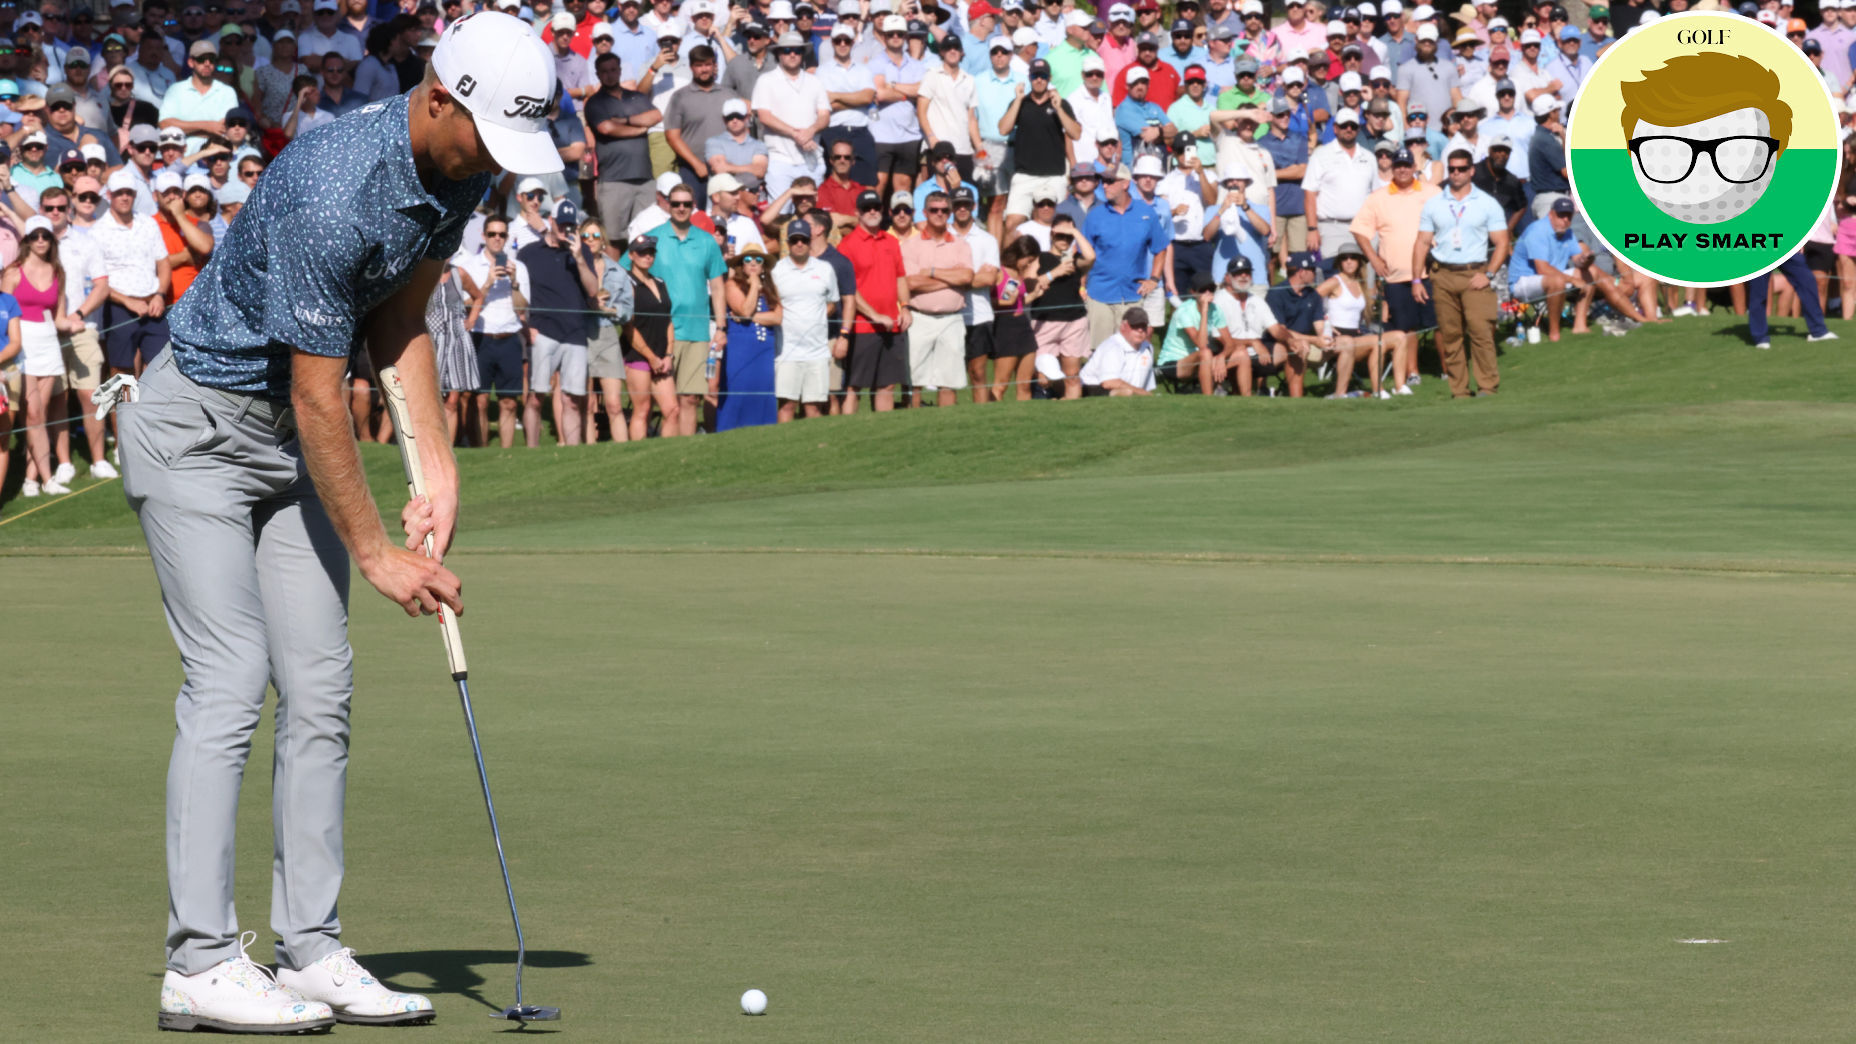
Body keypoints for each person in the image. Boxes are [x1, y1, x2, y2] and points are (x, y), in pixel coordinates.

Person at [125, 12, 562, 1034]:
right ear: (439, 97)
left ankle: (310, 950)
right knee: (232, 677)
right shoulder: (333, 186)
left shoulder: (461, 171)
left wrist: (440, 469)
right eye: (489, 137)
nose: (497, 163)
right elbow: (326, 398)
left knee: (321, 683)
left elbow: (401, 319)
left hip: (284, 443)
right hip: (195, 429)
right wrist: (377, 551)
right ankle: (196, 961)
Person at [1411, 147, 1507, 396]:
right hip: (1442, 274)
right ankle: (1459, 390)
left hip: (1474, 273)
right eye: (1452, 168)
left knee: (1480, 331)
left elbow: (1502, 243)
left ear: (1471, 170)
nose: (1456, 173)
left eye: (1462, 168)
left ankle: (1487, 386)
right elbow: (1422, 242)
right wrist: (1416, 279)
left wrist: (1488, 274)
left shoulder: (1487, 203)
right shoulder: (1434, 203)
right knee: (1450, 335)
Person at [636, 181, 726, 435]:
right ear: (668, 205)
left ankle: (685, 457)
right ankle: (664, 456)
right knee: (667, 403)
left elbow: (718, 287)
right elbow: (630, 274)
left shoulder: (707, 241)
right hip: (662, 331)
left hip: (697, 331)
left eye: (687, 204)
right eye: (676, 203)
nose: (681, 208)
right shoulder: (653, 237)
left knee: (690, 399)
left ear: (694, 205)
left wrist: (720, 327)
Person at [1348, 145, 1436, 391]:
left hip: (1430, 271)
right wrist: (1373, 259)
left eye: (1407, 165)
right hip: (1396, 275)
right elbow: (1359, 229)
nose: (1403, 170)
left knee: (1438, 323)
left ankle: (1446, 369)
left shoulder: (1432, 192)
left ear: (1414, 167)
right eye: (1398, 165)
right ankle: (1413, 372)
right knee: (1406, 326)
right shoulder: (1378, 197)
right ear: (1392, 168)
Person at [1508, 195, 1653, 340]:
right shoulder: (1538, 231)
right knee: (1558, 281)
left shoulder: (1567, 232)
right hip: (1523, 282)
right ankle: (1554, 333)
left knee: (1588, 273)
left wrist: (1586, 260)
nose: (1565, 219)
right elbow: (1542, 269)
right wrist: (1572, 279)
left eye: (1568, 216)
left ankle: (1581, 326)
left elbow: (1578, 259)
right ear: (1551, 214)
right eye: (1561, 215)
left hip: (1553, 278)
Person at [519, 197, 600, 445]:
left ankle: (572, 456)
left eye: (570, 226)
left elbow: (593, 291)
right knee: (535, 397)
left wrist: (579, 258)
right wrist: (526, 326)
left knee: (572, 399)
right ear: (551, 221)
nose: (566, 230)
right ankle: (532, 451)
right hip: (542, 332)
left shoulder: (582, 252)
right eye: (562, 224)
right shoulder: (529, 253)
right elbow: (519, 295)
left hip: (574, 334)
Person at [7, 214, 69, 493]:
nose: (41, 240)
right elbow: (3, 313)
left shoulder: (58, 270)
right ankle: (48, 479)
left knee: (39, 416)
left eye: (46, 235)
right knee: (32, 414)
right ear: (27, 240)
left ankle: (31, 478)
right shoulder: (12, 272)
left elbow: (59, 317)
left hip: (48, 341)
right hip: (22, 342)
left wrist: (77, 320)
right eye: (35, 236)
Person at [457, 214, 531, 448]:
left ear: (507, 238)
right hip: (480, 337)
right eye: (492, 234)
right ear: (483, 236)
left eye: (502, 235)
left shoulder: (518, 267)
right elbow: (464, 305)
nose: (497, 239)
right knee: (479, 400)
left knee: (509, 402)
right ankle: (482, 450)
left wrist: (514, 282)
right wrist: (487, 284)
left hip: (509, 338)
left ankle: (506, 454)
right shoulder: (469, 266)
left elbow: (522, 307)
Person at [838, 187, 909, 412]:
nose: (871, 211)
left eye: (875, 207)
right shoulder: (847, 245)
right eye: (866, 208)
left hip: (891, 326)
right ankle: (847, 434)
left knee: (886, 385)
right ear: (857, 212)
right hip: (862, 327)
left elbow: (900, 277)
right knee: (854, 385)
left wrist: (905, 307)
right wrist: (875, 315)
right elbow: (848, 291)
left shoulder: (891, 241)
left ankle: (882, 436)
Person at [900, 188, 973, 406]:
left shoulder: (961, 244)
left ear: (950, 213)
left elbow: (967, 277)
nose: (939, 214)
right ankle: (912, 422)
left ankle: (947, 426)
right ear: (925, 212)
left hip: (952, 318)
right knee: (913, 378)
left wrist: (931, 272)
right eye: (934, 210)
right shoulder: (910, 245)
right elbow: (911, 282)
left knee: (949, 379)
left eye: (944, 210)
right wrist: (952, 278)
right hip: (920, 317)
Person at [1082, 163, 1166, 347]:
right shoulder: (1094, 216)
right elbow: (1083, 256)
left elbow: (1160, 248)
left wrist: (1154, 278)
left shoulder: (1146, 213)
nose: (1104, 186)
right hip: (1099, 294)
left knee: (1132, 352)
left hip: (1132, 294)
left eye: (1110, 181)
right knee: (1101, 352)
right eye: (1103, 181)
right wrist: (1081, 287)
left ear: (1125, 183)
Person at [998, 57, 1079, 240]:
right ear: (1030, 77)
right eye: (1035, 76)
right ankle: (1008, 268)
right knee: (1012, 224)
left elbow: (1076, 134)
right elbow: (1003, 128)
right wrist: (1018, 100)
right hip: (1025, 175)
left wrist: (1059, 109)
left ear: (1049, 78)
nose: (1039, 80)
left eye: (1042, 76)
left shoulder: (1060, 103)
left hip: (1054, 176)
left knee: (1057, 226)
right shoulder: (1020, 103)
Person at [767, 217, 838, 421]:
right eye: (795, 240)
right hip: (786, 352)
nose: (799, 244)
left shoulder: (825, 269)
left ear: (810, 241)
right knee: (787, 405)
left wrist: (816, 319)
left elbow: (832, 302)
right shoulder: (777, 271)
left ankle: (813, 451)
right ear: (788, 242)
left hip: (817, 351)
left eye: (803, 240)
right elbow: (773, 305)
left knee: (813, 407)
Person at [586, 50, 660, 241]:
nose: (609, 75)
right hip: (613, 180)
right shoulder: (595, 103)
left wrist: (625, 119)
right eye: (604, 71)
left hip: (645, 179)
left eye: (613, 70)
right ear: (598, 75)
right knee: (613, 239)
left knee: (646, 239)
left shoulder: (636, 97)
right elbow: (606, 128)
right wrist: (638, 129)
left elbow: (656, 116)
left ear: (620, 71)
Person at [751, 31, 830, 200]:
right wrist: (796, 134)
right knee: (780, 214)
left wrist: (810, 131)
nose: (792, 54)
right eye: (787, 50)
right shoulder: (766, 80)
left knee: (814, 214)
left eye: (797, 50)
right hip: (780, 160)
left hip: (811, 159)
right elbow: (764, 116)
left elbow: (824, 116)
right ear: (779, 53)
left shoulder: (815, 81)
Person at [1033, 214, 1093, 397]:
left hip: (1074, 321)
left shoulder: (1075, 261)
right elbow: (1029, 284)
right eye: (1061, 235)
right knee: (1044, 377)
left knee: (1072, 376)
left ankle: (1072, 409)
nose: (1064, 239)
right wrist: (1054, 273)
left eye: (1068, 236)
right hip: (1045, 323)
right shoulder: (1040, 258)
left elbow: (1091, 257)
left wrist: (1074, 230)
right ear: (1052, 234)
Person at [1316, 242, 1384, 396]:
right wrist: (1324, 322)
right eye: (1344, 258)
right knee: (1347, 343)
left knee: (1379, 341)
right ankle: (1340, 395)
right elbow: (1311, 301)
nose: (1348, 261)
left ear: (1359, 261)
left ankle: (1378, 391)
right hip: (1336, 337)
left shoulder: (1361, 284)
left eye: (1353, 257)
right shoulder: (1334, 281)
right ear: (1339, 262)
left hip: (1354, 334)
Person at [868, 15, 925, 200]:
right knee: (878, 185)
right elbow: (880, 94)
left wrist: (892, 85)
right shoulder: (874, 63)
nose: (895, 36)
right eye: (891, 33)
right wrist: (906, 94)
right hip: (880, 134)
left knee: (903, 188)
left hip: (909, 135)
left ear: (905, 36)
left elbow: (921, 90)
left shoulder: (917, 65)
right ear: (884, 36)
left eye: (899, 33)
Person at [1158, 275, 1226, 394]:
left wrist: (1222, 357)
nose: (1208, 293)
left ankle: (1245, 398)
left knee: (1240, 353)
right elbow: (1201, 344)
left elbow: (1229, 343)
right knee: (1205, 353)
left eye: (1211, 289)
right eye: (1203, 290)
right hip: (1174, 362)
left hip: (1200, 359)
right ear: (1193, 292)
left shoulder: (1216, 309)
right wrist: (1204, 311)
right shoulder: (1184, 311)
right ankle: (1209, 398)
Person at [1078, 304, 1155, 394]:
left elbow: (1147, 386)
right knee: (1126, 392)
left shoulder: (1148, 348)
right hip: (1092, 389)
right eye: (1135, 326)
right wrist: (1140, 392)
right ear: (1123, 326)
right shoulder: (1113, 347)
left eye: (1143, 326)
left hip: (1127, 391)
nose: (1140, 330)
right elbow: (1109, 382)